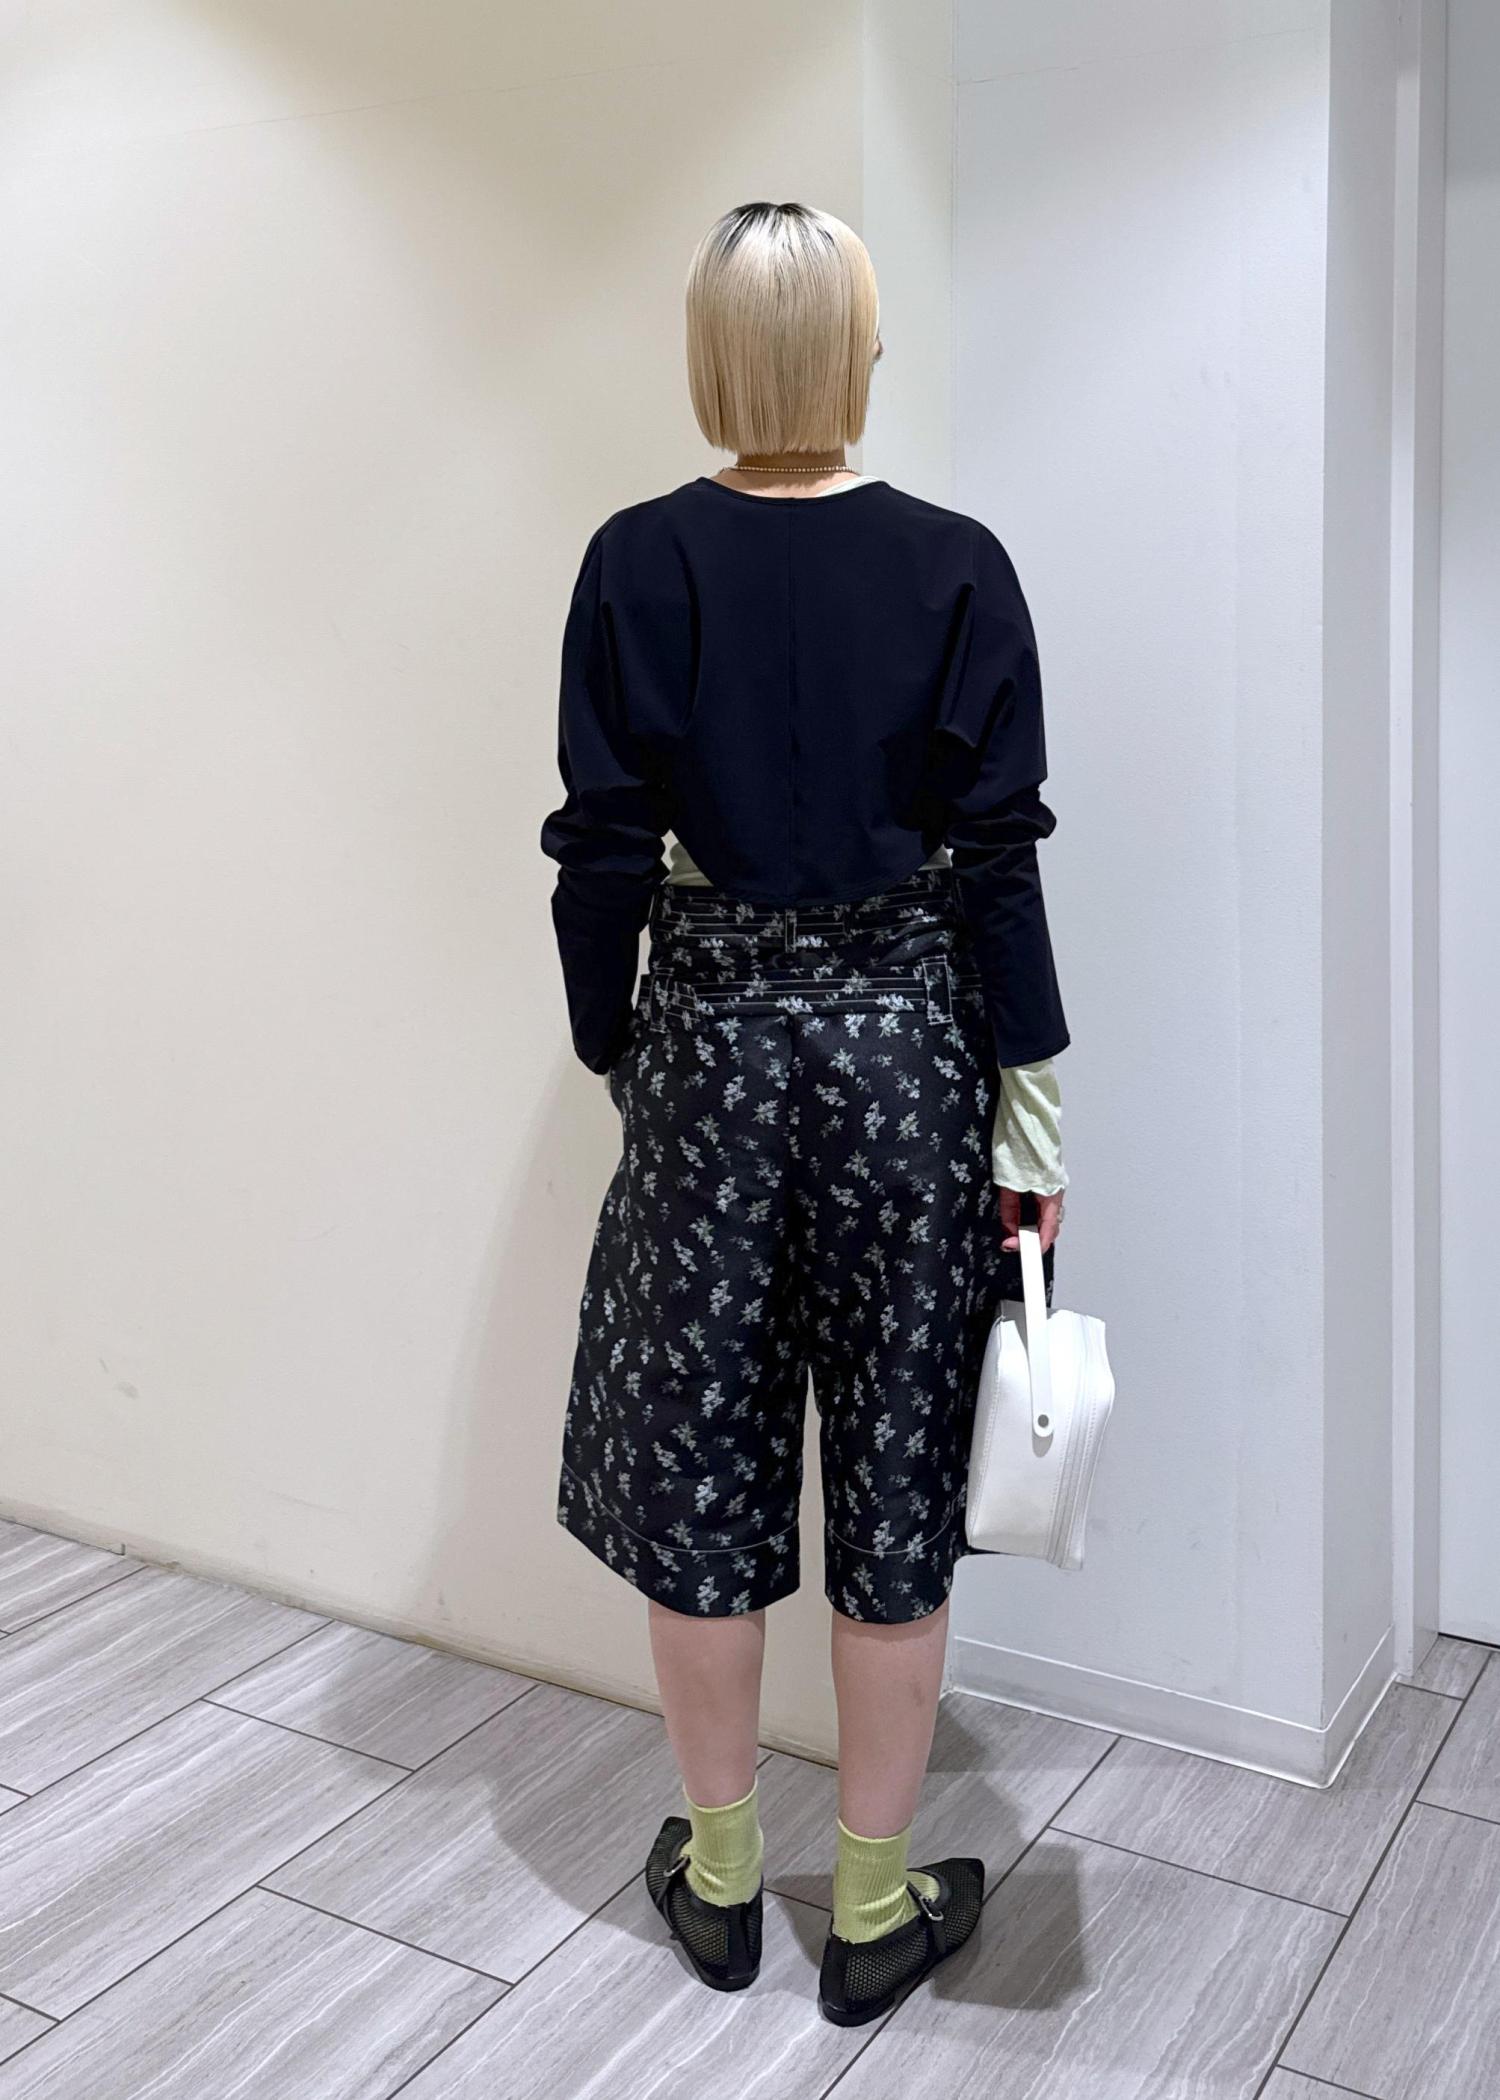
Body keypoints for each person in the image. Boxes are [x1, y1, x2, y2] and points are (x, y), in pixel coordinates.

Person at [539, 200, 1069, 2026]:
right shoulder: (955, 566)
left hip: (708, 1054)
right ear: (852, 351)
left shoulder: (635, 559)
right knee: (898, 1472)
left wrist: (618, 1047)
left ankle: (717, 1878)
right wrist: (1034, 1127)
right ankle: (869, 1905)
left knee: (701, 1461)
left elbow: (601, 849)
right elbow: (997, 863)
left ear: (712, 355)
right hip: (907, 1055)